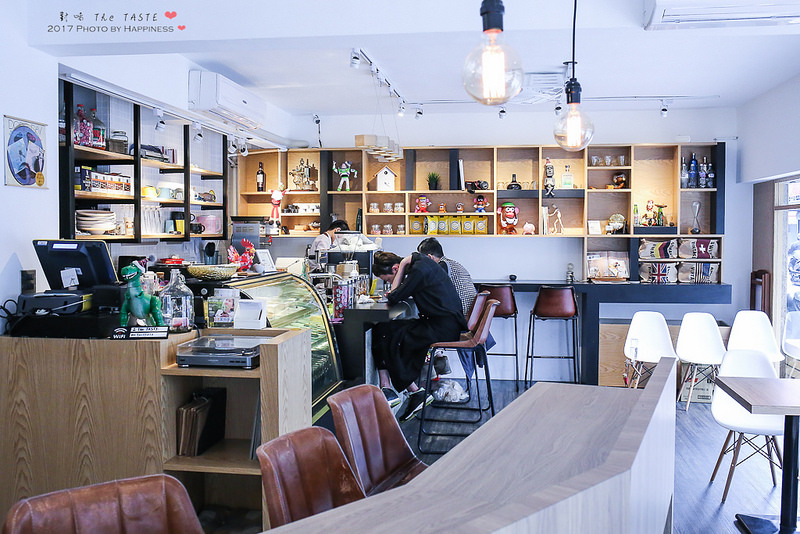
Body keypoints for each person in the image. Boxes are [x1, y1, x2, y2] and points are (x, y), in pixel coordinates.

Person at [371, 251, 467, 420]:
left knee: (391, 336)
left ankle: (403, 391)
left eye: (388, 280)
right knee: (383, 329)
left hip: (442, 327)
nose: (390, 283)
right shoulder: (421, 264)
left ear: (395, 269)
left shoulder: (419, 269)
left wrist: (401, 268)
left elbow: (393, 297)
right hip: (441, 323)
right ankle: (394, 389)